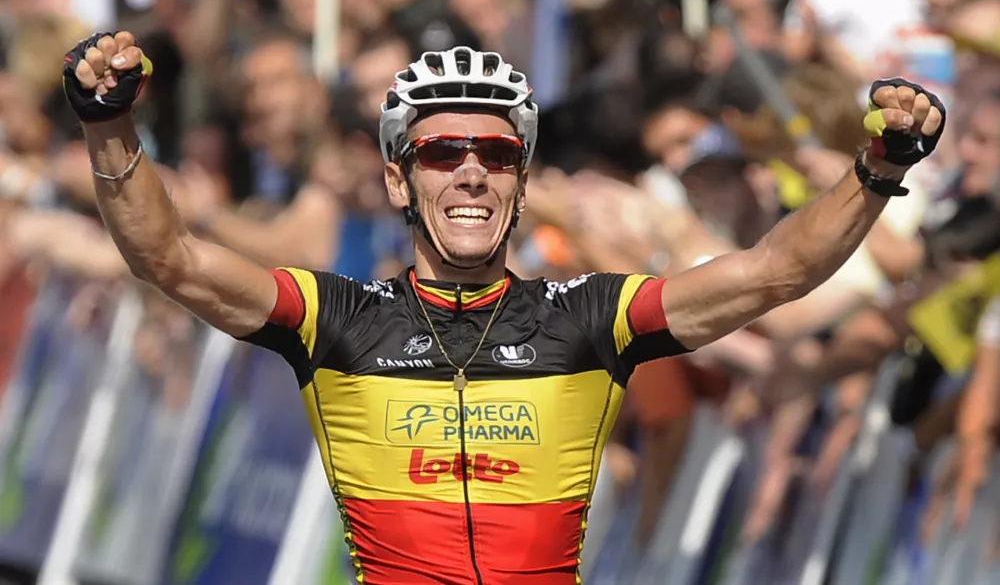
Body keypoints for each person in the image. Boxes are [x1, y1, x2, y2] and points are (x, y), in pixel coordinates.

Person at [62, 30, 945, 584]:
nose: (473, 170)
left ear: (523, 182)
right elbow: (167, 257)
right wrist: (109, 127)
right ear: (399, 179)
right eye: (443, 150)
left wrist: (877, 169)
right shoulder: (336, 318)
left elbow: (772, 273)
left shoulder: (587, 315)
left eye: (497, 151)